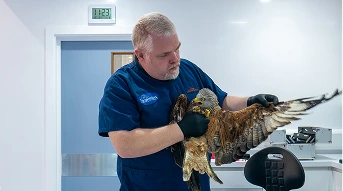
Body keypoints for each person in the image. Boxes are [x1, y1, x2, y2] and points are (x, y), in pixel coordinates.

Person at [98, 12, 279, 191]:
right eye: (164, 54)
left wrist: (250, 101)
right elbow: (125, 146)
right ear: (141, 55)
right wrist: (181, 129)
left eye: (177, 48)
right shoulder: (121, 85)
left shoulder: (188, 70)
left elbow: (221, 100)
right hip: (148, 185)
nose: (175, 58)